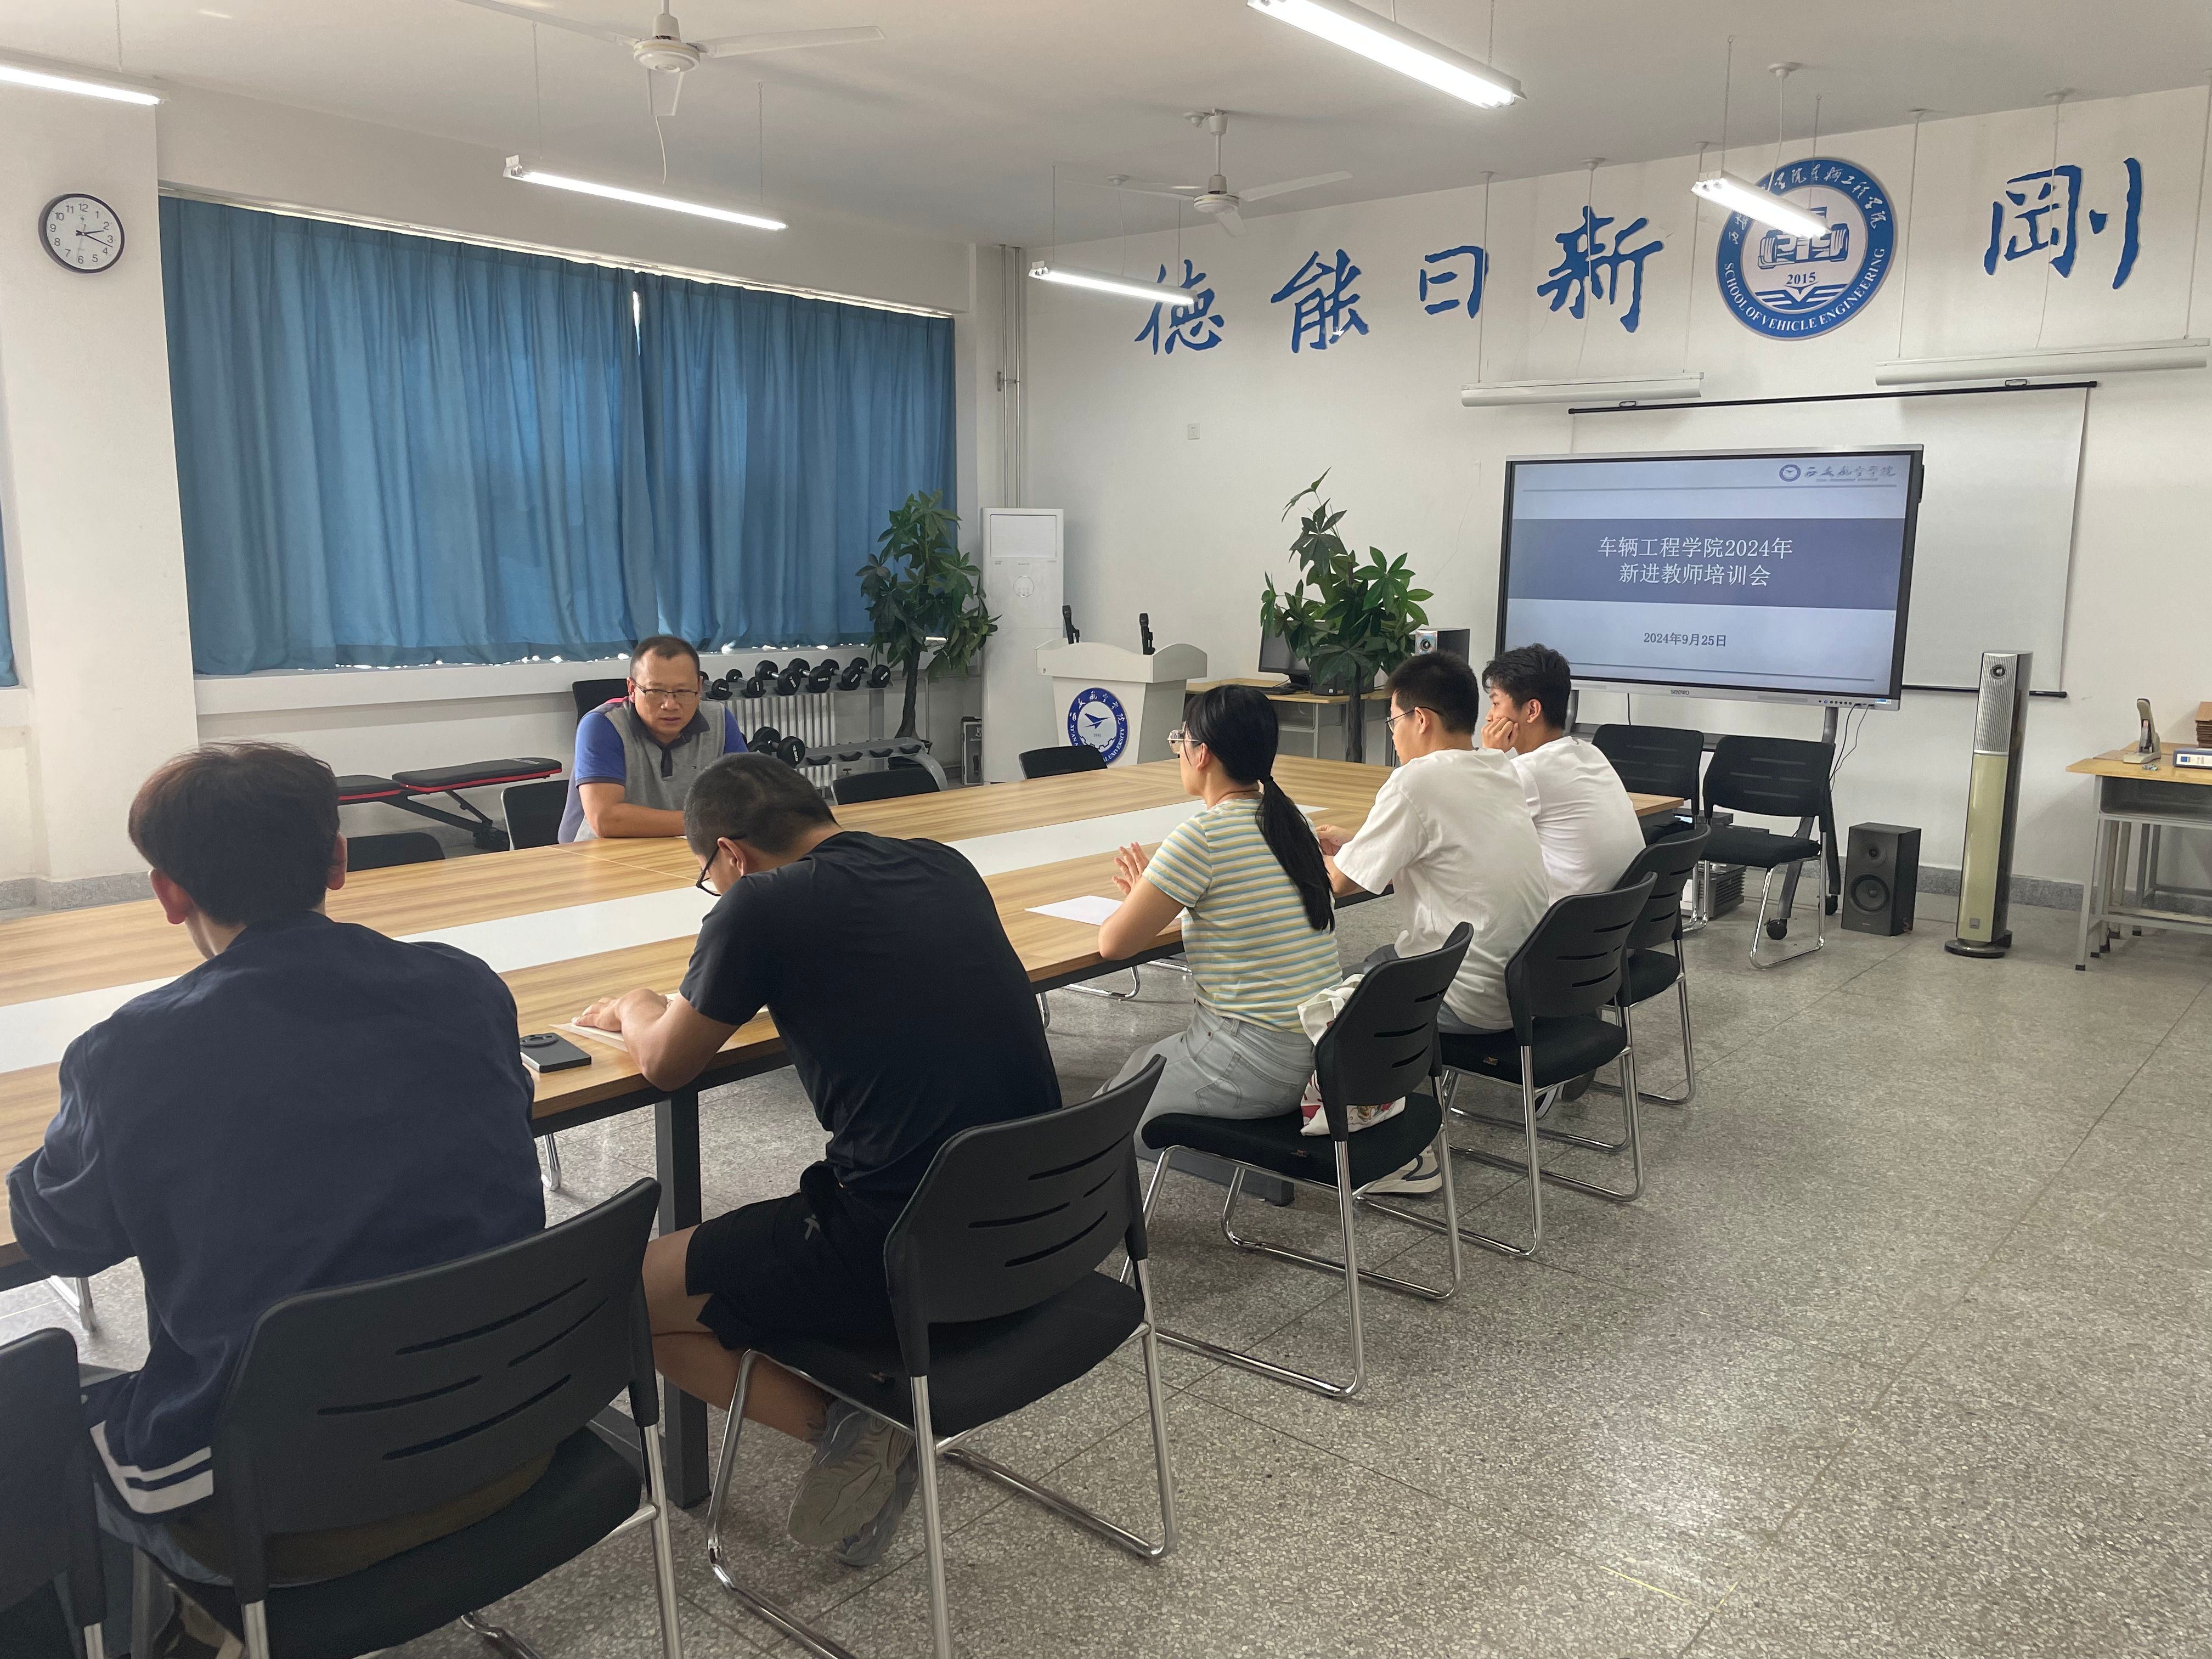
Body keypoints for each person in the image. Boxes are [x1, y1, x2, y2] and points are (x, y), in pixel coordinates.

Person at [6, 742, 545, 1650]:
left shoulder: (129, 1054)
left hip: (280, 1518)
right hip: (513, 1435)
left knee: (31, 1422)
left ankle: (181, 1626)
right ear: (338, 858)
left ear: (168, 892)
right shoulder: (466, 984)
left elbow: (59, 1234)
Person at [575, 754, 1058, 1568]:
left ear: (731, 855)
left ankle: (859, 1428)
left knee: (619, 1293)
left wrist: (636, 1004)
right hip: (1039, 1221)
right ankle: (859, 1414)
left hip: (902, 1245)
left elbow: (666, 1062)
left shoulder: (761, 903)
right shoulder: (939, 862)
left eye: (709, 879)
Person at [1313, 653, 1552, 1192]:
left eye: (1393, 721)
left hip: (1464, 994)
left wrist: (1303, 852)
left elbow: (1341, 885)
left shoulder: (1415, 780)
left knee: (1331, 996)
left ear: (1419, 719)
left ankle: (1395, 1155)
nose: (1393, 734)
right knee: (1376, 965)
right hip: (1524, 987)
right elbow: (1444, 845)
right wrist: (1360, 844)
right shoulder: (1497, 769)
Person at [1096, 683, 1340, 1131]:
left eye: (1181, 740)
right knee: (1139, 1062)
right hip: (1322, 1055)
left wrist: (1142, 895)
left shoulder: (1201, 837)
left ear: (1203, 754)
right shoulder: (1292, 821)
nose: (1178, 751)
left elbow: (1113, 944)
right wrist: (1156, 890)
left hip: (1254, 1060)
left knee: (1103, 1121)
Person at [1481, 644, 1645, 900]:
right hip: (1618, 916)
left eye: (1495, 704)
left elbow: (1473, 833)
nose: (1490, 717)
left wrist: (1490, 757)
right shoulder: (1591, 753)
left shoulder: (1528, 772)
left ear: (1532, 711)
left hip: (1566, 919)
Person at [558, 634, 748, 842]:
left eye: (683, 691)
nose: (670, 705)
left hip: (684, 846)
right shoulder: (603, 725)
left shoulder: (720, 720)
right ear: (632, 689)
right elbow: (606, 820)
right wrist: (710, 823)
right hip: (598, 851)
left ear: (699, 687)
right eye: (656, 691)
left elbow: (748, 800)